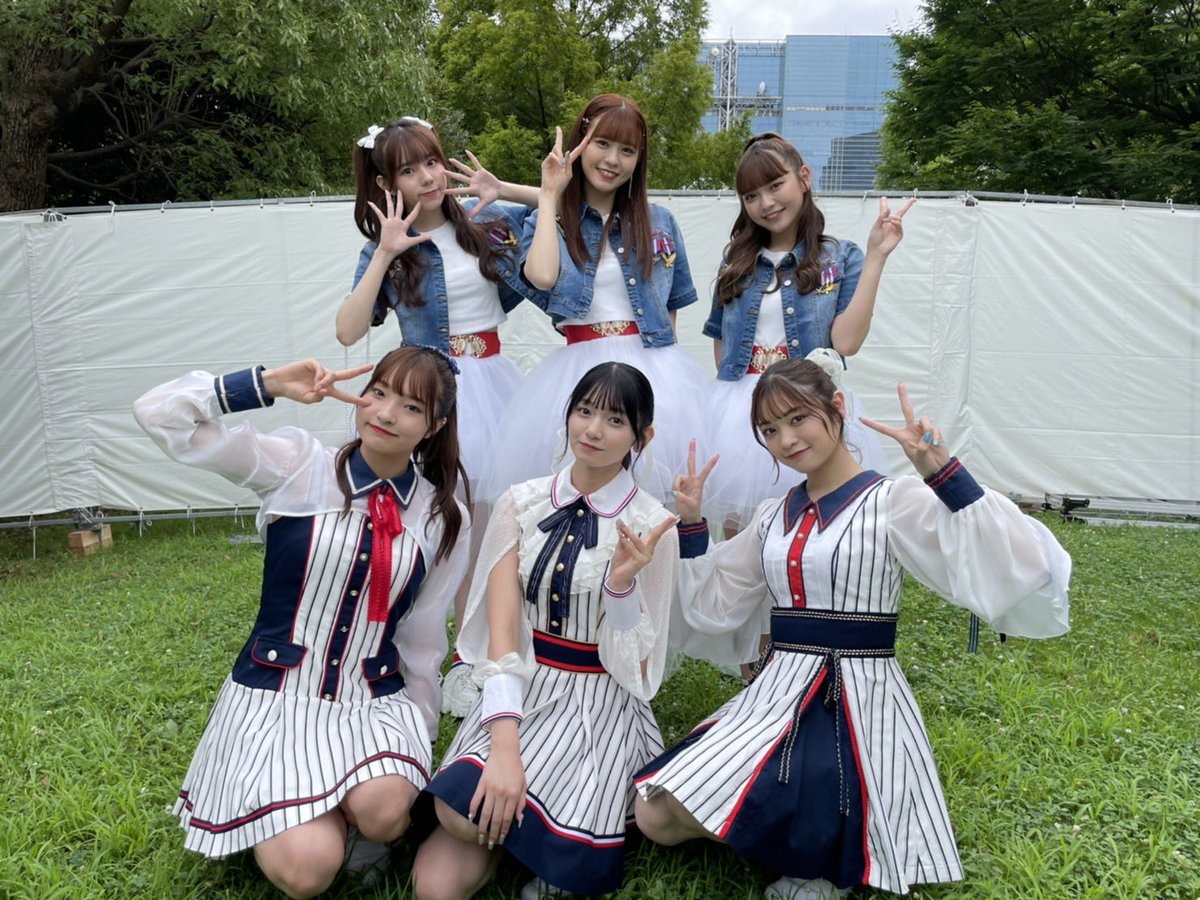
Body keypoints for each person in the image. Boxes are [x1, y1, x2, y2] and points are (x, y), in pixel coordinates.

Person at [635, 355, 1071, 900]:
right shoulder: (773, 515)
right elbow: (715, 601)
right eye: (769, 430)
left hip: (857, 700)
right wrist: (693, 523)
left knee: (814, 795)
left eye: (798, 418)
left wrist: (943, 474)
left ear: (837, 406)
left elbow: (1013, 561)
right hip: (775, 693)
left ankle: (818, 855)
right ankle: (783, 829)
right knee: (653, 815)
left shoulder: (892, 501)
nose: (786, 440)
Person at [132, 347, 470, 899]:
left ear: (433, 428)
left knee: (386, 811)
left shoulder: (441, 514)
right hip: (277, 701)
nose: (385, 414)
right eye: (378, 393)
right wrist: (267, 383)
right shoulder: (298, 464)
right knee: (307, 872)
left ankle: (352, 816)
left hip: (372, 706)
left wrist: (420, 741)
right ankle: (309, 819)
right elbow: (158, 414)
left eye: (411, 407)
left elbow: (423, 638)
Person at [412, 363, 686, 900]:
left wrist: (621, 588)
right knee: (435, 881)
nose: (593, 430)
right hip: (520, 685)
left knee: (533, 852)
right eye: (584, 411)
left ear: (642, 436)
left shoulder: (652, 526)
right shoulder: (521, 502)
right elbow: (502, 638)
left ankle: (531, 840)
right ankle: (512, 836)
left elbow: (635, 666)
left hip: (598, 706)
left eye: (615, 420)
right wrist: (504, 747)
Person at [336, 116, 541, 714]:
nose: (427, 178)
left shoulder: (488, 222)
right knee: (440, 530)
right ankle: (425, 654)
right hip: (429, 396)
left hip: (494, 385)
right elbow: (348, 330)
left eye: (431, 162)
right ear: (385, 184)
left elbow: (560, 206)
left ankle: (484, 657)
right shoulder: (387, 250)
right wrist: (385, 251)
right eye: (408, 170)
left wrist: (505, 189)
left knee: (493, 530)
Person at [488, 93, 709, 503]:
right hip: (578, 367)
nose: (612, 160)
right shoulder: (551, 217)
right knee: (576, 494)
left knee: (650, 498)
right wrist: (549, 194)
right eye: (602, 144)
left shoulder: (660, 221)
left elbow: (670, 312)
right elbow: (541, 276)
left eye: (627, 150)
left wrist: (675, 386)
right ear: (580, 143)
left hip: (656, 368)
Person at [703, 132, 915, 531]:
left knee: (818, 526)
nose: (766, 203)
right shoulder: (735, 262)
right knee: (741, 534)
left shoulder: (840, 257)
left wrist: (876, 257)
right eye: (751, 196)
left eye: (775, 185)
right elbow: (721, 342)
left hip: (808, 404)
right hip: (744, 409)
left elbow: (846, 342)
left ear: (803, 177)